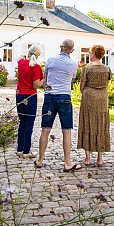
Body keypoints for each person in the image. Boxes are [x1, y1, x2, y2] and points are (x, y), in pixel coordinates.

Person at [34, 39, 80, 172]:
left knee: (45, 130)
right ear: (71, 50)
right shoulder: (73, 64)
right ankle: (67, 163)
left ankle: (40, 160)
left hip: (50, 97)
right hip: (65, 97)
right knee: (67, 131)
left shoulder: (50, 59)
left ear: (61, 47)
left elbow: (45, 79)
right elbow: (71, 79)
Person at [77, 45, 111, 167]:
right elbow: (106, 84)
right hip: (102, 98)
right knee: (101, 124)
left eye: (90, 52)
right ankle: (100, 158)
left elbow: (81, 87)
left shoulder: (86, 69)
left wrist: (87, 91)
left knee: (88, 123)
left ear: (93, 53)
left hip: (89, 97)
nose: (89, 55)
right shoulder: (107, 69)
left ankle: (87, 158)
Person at [16, 44, 44, 159]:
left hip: (19, 95)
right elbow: (36, 84)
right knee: (29, 124)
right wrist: (44, 80)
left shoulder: (21, 63)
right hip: (30, 96)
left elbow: (21, 58)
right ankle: (26, 151)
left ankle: (20, 149)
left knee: (22, 123)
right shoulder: (36, 67)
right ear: (37, 56)